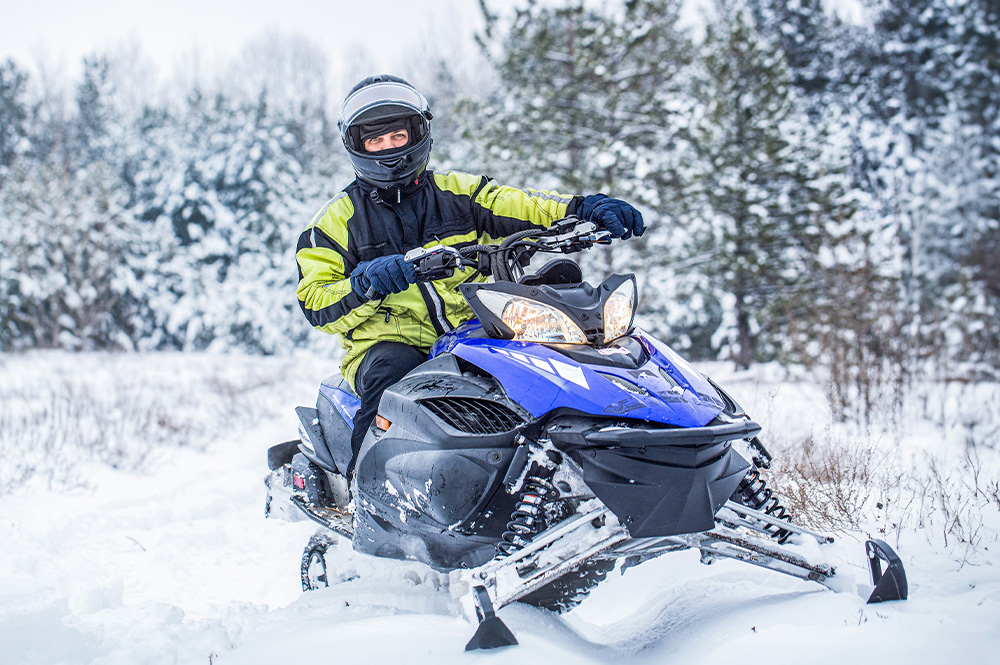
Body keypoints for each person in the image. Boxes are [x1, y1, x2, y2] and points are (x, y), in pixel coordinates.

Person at [295, 74, 645, 475]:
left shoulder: (459, 192)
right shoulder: (334, 222)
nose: (389, 148)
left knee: (540, 365)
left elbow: (521, 204)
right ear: (357, 146)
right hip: (390, 343)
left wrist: (580, 208)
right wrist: (367, 283)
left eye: (398, 136)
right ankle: (367, 486)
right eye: (376, 140)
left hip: (475, 326)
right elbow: (315, 302)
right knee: (390, 377)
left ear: (418, 135)